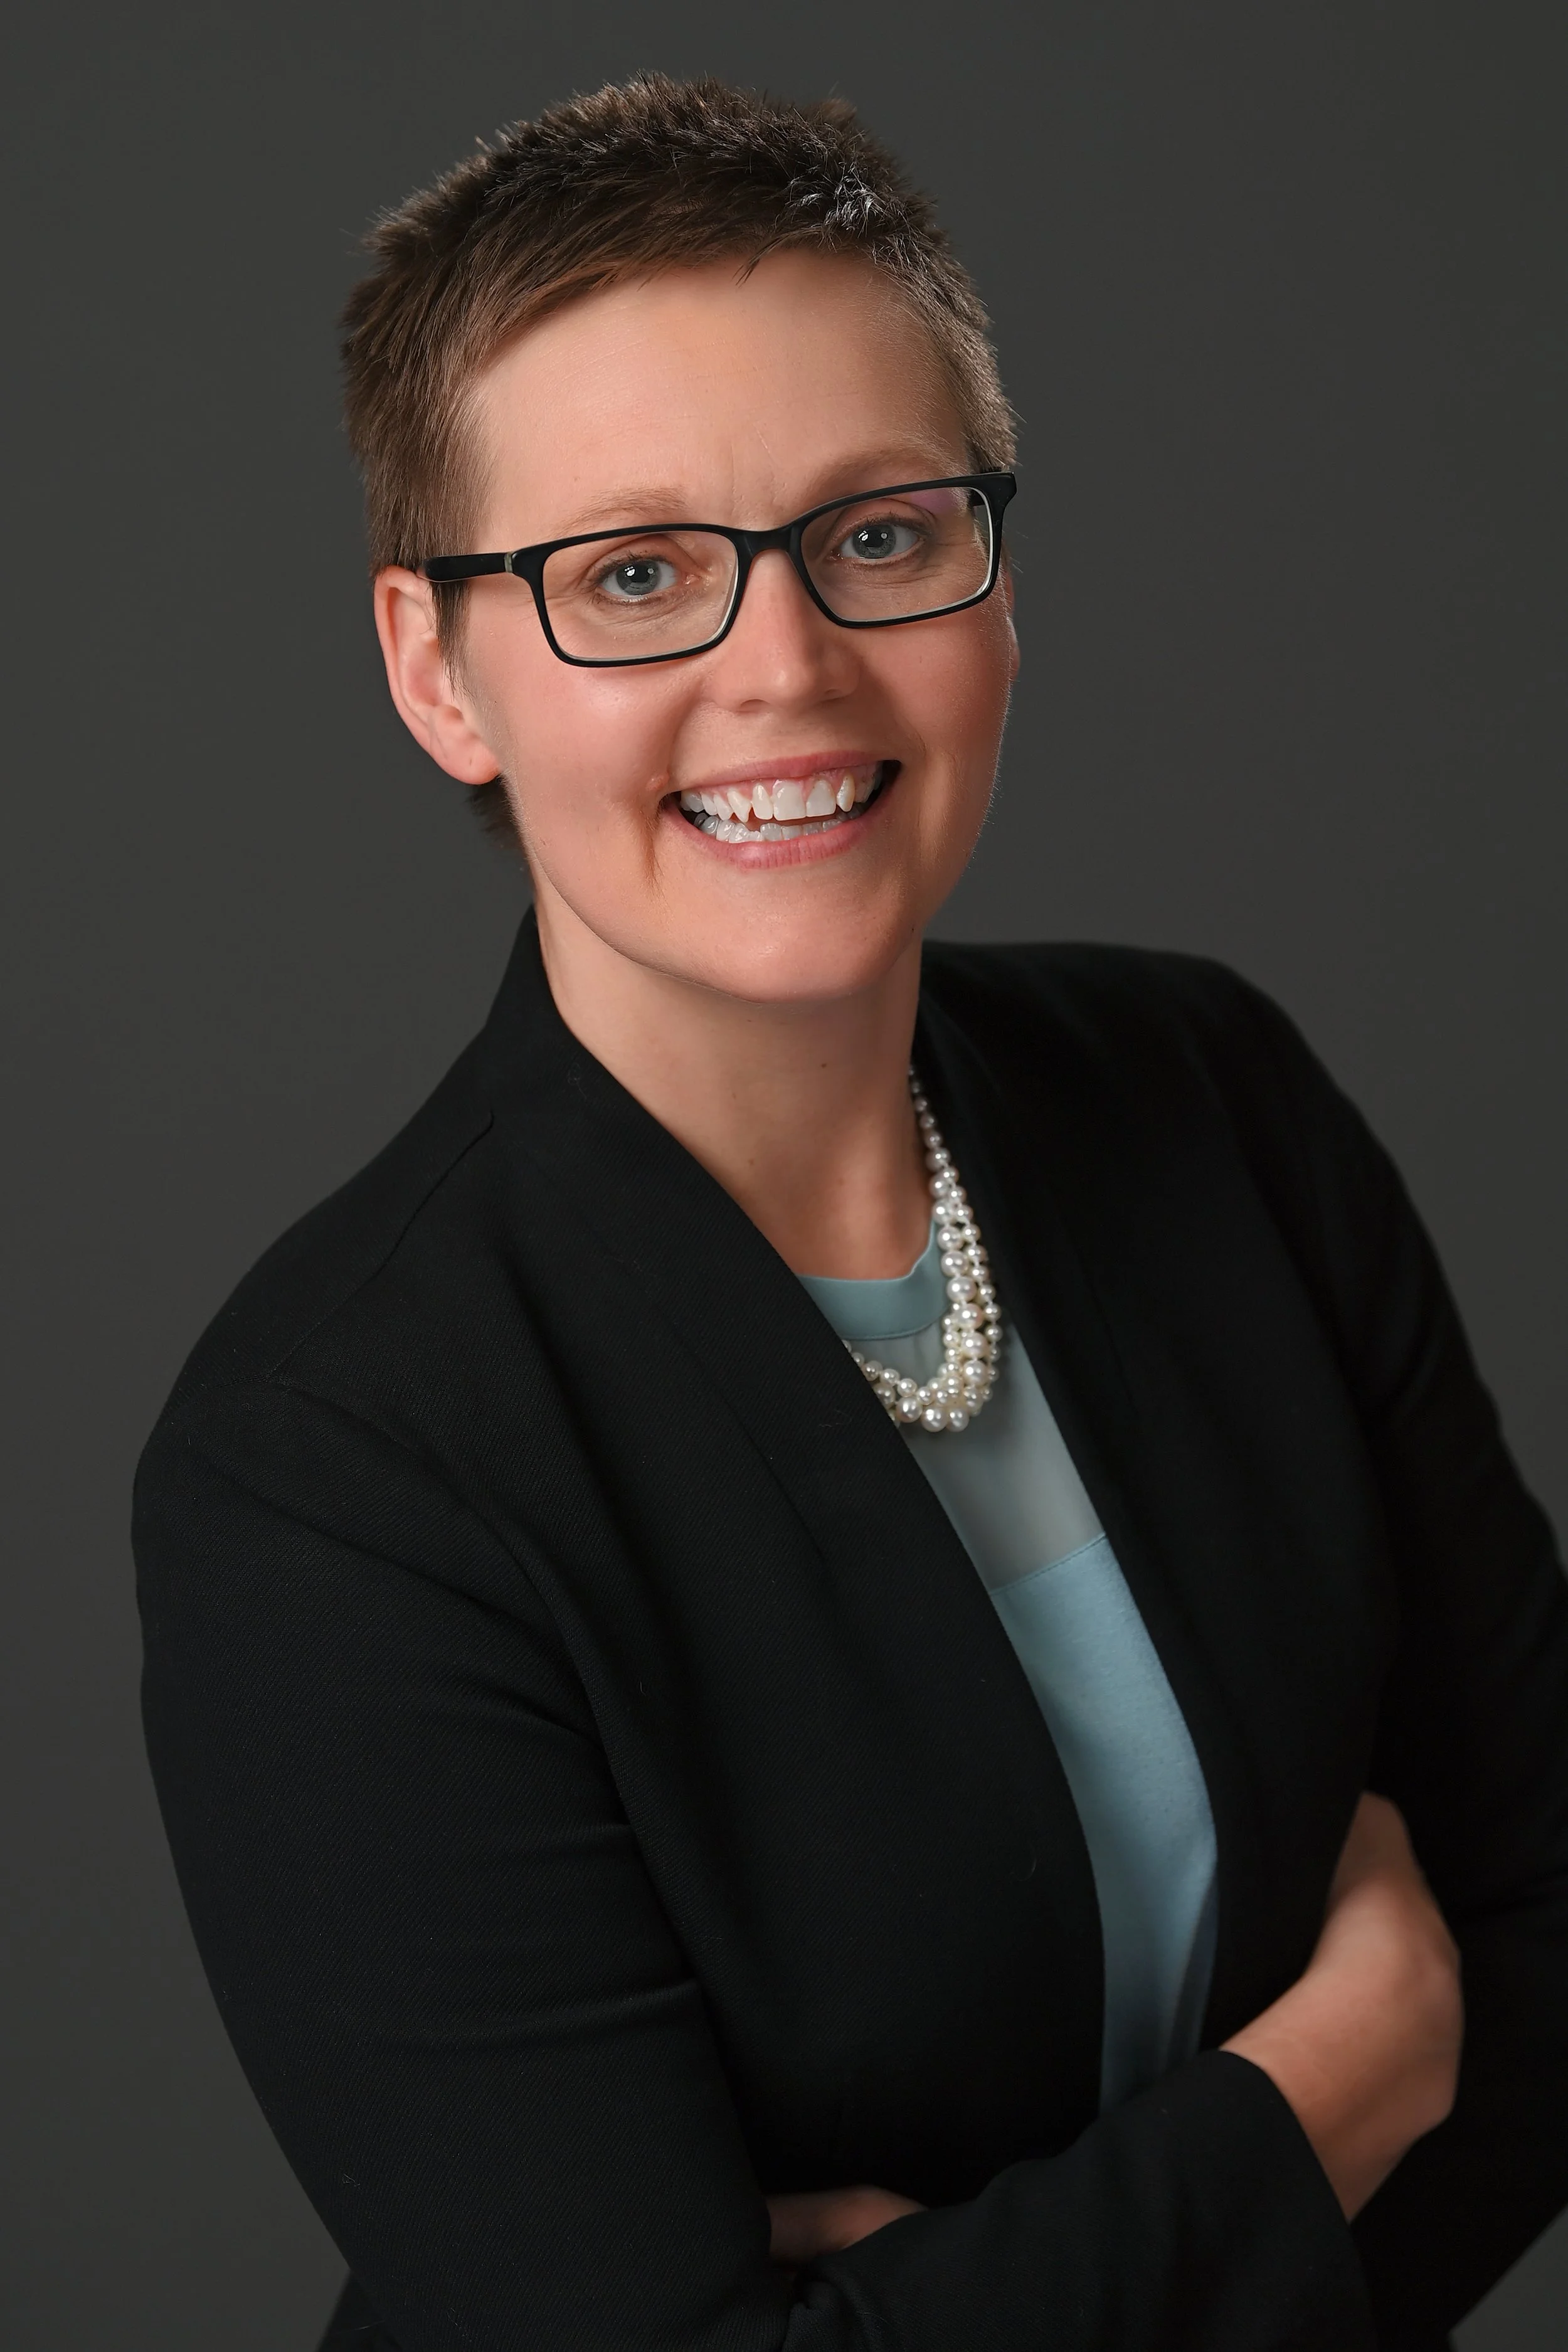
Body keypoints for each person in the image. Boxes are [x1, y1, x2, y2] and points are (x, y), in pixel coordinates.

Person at [132, 75, 1568, 2352]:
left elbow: (1547, 1929)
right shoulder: (333, 1465)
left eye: (878, 533)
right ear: (438, 672)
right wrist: (1322, 2102)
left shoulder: (1210, 1099)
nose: (783, 665)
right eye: (628, 574)